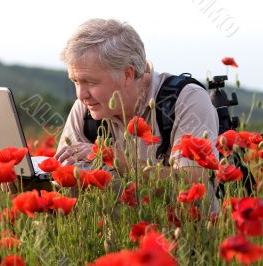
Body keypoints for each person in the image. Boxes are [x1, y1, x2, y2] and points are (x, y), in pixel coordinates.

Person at [54, 18, 220, 202]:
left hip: (185, 227)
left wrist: (112, 157)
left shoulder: (186, 100)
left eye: (91, 82)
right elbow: (64, 185)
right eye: (75, 81)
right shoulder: (86, 110)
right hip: (113, 229)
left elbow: (192, 183)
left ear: (127, 74)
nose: (81, 94)